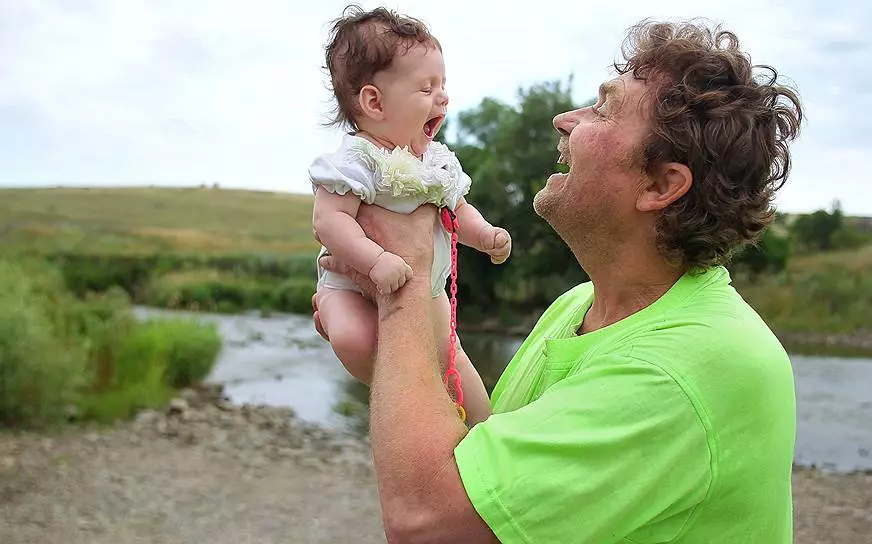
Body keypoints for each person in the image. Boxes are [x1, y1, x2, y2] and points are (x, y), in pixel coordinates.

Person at [313, 17, 804, 544]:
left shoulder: (687, 367)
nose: (563, 119)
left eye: (603, 109)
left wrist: (404, 287)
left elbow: (427, 524)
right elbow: (481, 464)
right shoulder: (578, 307)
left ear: (662, 184)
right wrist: (402, 352)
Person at [309, 5, 510, 422]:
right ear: (374, 102)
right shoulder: (356, 160)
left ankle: (482, 428)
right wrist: (375, 259)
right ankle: (411, 397)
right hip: (352, 288)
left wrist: (486, 235)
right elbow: (329, 221)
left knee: (457, 368)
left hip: (426, 291)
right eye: (426, 88)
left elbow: (458, 210)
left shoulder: (436, 162)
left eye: (443, 85)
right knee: (355, 339)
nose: (443, 96)